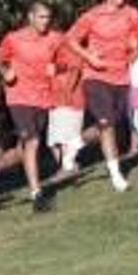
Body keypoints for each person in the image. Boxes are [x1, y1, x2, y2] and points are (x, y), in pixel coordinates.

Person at [65, 0, 138, 193]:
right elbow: (70, 39)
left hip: (122, 77)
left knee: (111, 122)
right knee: (107, 123)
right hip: (95, 76)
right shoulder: (92, 16)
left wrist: (136, 50)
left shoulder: (133, 14)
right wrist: (88, 57)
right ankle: (116, 175)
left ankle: (76, 142)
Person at [0, 2, 62, 212]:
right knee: (32, 142)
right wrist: (5, 71)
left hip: (42, 98)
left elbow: (66, 60)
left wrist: (57, 67)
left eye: (48, 17)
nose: (46, 21)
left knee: (22, 150)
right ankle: (37, 196)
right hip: (19, 97)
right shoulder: (14, 38)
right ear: (30, 17)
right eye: (42, 17)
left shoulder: (54, 38)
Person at [47, 35, 89, 176]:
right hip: (54, 100)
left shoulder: (70, 48)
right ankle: (68, 166)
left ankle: (67, 167)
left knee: (68, 137)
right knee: (55, 140)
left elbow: (75, 69)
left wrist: (67, 92)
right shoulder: (50, 52)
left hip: (70, 101)